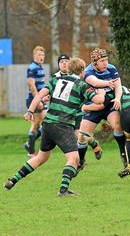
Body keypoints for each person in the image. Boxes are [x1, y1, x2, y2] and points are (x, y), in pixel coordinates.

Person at [3, 58, 105, 196]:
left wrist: (30, 111)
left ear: (69, 69)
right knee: (74, 158)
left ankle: (13, 180)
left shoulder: (55, 80)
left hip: (48, 124)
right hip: (62, 125)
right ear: (82, 71)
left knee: (41, 158)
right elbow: (99, 101)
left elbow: (39, 95)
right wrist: (101, 92)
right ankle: (63, 190)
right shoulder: (81, 85)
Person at [77, 48, 126, 170]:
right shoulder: (88, 71)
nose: (105, 63)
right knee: (82, 135)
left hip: (109, 104)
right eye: (102, 61)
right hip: (94, 105)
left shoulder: (111, 68)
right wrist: (107, 83)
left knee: (117, 125)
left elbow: (118, 86)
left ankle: (123, 155)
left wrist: (118, 98)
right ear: (94, 63)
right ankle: (81, 161)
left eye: (106, 60)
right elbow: (95, 82)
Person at [55, 54, 102, 162]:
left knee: (79, 135)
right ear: (58, 64)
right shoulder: (56, 78)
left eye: (66, 61)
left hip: (77, 112)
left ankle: (82, 158)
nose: (64, 63)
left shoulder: (79, 79)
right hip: (64, 114)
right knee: (75, 137)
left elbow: (87, 92)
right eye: (61, 62)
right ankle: (89, 149)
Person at [23, 46, 47, 158]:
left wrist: (44, 97)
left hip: (40, 99)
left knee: (44, 122)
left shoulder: (40, 67)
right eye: (39, 55)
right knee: (37, 123)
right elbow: (32, 86)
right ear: (34, 56)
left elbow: (41, 85)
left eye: (42, 55)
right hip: (34, 99)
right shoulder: (32, 67)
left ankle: (29, 145)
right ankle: (31, 150)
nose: (41, 57)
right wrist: (38, 100)